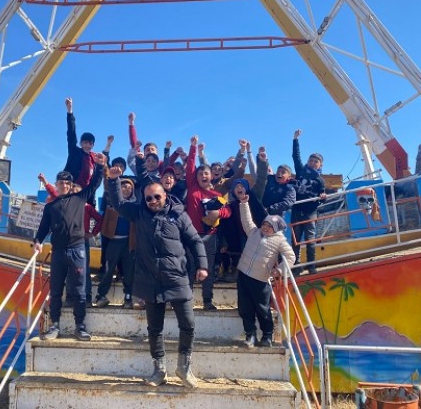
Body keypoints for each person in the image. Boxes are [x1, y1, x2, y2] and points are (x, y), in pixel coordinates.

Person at [107, 168, 208, 389]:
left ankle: (184, 367)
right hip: (149, 279)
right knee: (154, 329)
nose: (152, 201)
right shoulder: (139, 212)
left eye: (156, 197)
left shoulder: (179, 214)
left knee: (188, 324)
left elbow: (195, 241)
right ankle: (159, 370)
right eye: (148, 198)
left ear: (165, 195)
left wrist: (202, 265)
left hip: (177, 277)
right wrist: (114, 180)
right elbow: (119, 205)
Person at [34, 152, 106, 341]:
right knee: (56, 290)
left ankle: (80, 327)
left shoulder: (80, 198)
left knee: (80, 290)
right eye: (61, 182)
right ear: (56, 185)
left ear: (71, 185)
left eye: (67, 183)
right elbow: (43, 228)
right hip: (58, 251)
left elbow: (95, 184)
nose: (64, 185)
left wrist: (99, 166)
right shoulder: (50, 207)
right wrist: (37, 242)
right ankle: (54, 326)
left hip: (77, 250)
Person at [236, 194, 295, 348]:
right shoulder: (254, 232)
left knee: (262, 308)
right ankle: (250, 334)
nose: (265, 227)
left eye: (269, 226)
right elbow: (246, 220)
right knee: (245, 307)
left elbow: (291, 256)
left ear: (275, 228)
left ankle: (267, 335)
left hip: (260, 279)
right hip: (243, 274)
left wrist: (279, 271)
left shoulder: (280, 241)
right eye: (264, 224)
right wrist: (244, 204)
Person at [185, 135, 232, 311]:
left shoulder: (217, 195)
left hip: (210, 237)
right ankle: (186, 300)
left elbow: (228, 211)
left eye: (206, 173)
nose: (203, 176)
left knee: (209, 269)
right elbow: (190, 166)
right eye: (200, 173)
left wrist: (218, 213)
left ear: (211, 176)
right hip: (192, 235)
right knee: (190, 267)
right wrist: (193, 147)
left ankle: (207, 300)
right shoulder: (192, 188)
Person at [96, 177, 136, 309]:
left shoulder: (134, 207)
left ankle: (128, 297)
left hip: (128, 243)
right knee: (108, 270)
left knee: (129, 272)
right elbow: (103, 223)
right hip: (113, 242)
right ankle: (101, 295)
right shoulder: (112, 204)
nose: (126, 189)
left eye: (129, 188)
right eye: (123, 186)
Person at [291, 129, 326, 275]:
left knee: (310, 240)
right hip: (296, 210)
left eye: (316, 161)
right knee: (296, 240)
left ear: (320, 165)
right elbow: (296, 156)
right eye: (311, 160)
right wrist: (295, 139)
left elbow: (321, 196)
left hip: (310, 212)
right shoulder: (300, 171)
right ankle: (296, 266)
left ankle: (311, 266)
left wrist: (323, 197)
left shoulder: (320, 180)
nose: (312, 163)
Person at [63, 97, 96, 190]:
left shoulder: (94, 159)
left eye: (90, 143)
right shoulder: (75, 151)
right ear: (81, 143)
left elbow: (95, 178)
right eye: (85, 142)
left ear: (93, 145)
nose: (87, 145)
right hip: (70, 190)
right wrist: (70, 112)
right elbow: (71, 133)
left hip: (84, 193)